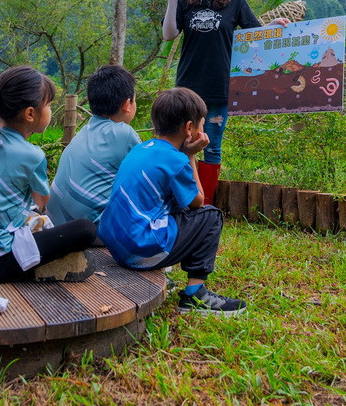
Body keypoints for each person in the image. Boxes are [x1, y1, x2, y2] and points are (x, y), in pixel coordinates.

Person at [99, 87, 246, 315]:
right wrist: (191, 155)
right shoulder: (175, 159)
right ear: (189, 128)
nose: (203, 131)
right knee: (211, 217)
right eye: (202, 125)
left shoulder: (140, 148)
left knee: (175, 204)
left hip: (116, 247)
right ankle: (195, 294)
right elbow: (198, 202)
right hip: (139, 252)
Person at [0, 66, 97, 283]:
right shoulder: (31, 155)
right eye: (49, 105)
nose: (51, 110)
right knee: (85, 228)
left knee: (31, 218)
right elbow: (42, 201)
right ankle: (37, 267)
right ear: (30, 114)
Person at [162, 0, 285, 205]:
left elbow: (254, 33)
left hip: (219, 86)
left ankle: (204, 205)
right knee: (180, 144)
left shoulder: (235, 1)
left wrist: (273, 26)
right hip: (187, 86)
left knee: (212, 146)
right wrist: (172, 0)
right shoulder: (185, 1)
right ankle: (178, 202)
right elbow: (169, 34)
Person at [47, 65, 141, 229]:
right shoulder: (123, 133)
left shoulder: (86, 130)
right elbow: (151, 174)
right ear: (127, 104)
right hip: (86, 231)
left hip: (54, 225)